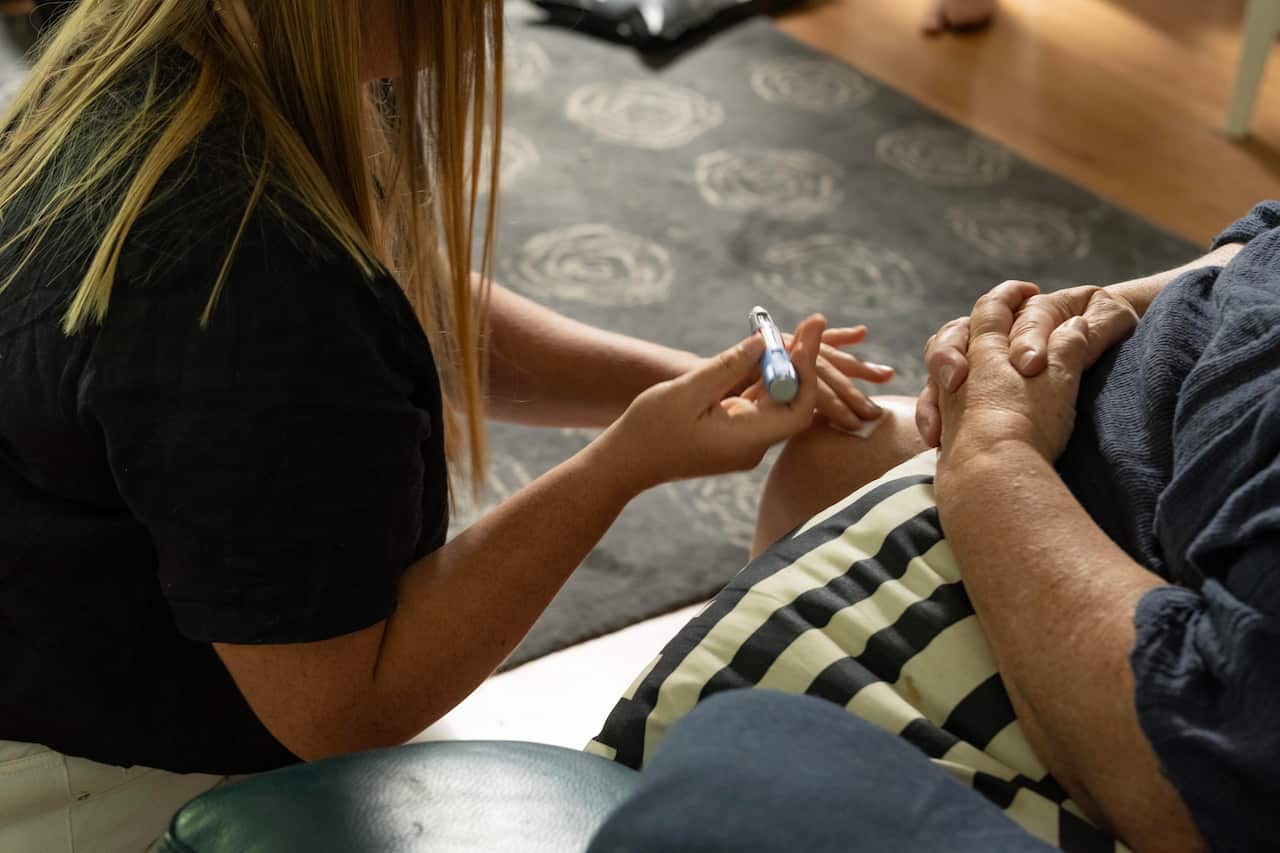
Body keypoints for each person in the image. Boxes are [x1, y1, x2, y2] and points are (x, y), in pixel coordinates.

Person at [0, 1, 894, 849]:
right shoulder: (244, 271)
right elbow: (349, 710)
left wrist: (683, 384)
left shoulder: (164, 41)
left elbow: (391, 291)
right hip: (100, 783)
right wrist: (623, 464)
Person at [734, 204, 1280, 852]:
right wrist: (1101, 309)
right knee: (833, 453)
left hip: (1091, 587)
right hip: (1081, 458)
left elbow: (1218, 763)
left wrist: (993, 448)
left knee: (830, 462)